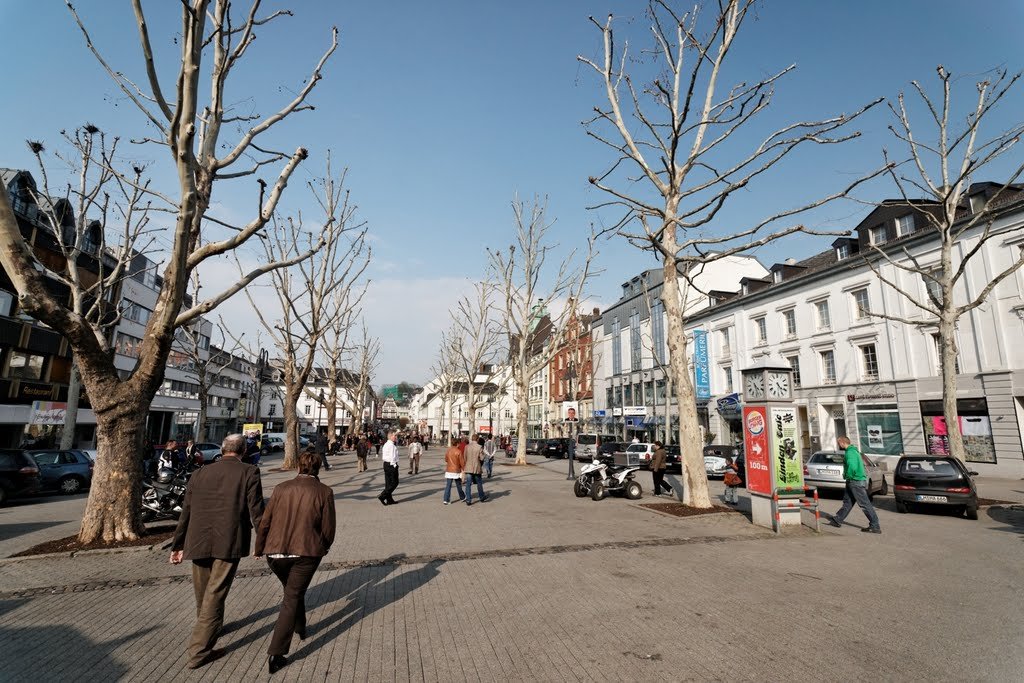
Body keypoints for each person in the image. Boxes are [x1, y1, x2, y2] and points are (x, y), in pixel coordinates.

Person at [169, 434, 265, 669]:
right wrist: (263, 541)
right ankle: (200, 650)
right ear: (242, 451)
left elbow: (186, 512)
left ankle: (212, 627)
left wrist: (178, 545)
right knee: (215, 593)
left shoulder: (200, 473)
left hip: (197, 540)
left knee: (204, 592)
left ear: (223, 450)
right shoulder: (249, 472)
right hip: (228, 541)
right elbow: (257, 511)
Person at [254, 446, 336, 674]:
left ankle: (300, 626)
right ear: (318, 468)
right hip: (305, 553)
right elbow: (328, 529)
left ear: (299, 466)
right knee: (292, 595)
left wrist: (259, 548)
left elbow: (265, 521)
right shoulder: (324, 492)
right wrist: (324, 546)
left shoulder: (281, 488)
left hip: (276, 552)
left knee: (293, 592)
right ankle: (276, 652)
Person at [828, 437, 882, 534]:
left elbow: (852, 466)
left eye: (838, 443)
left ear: (842, 442)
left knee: (864, 504)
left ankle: (875, 525)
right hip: (854, 480)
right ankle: (837, 519)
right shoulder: (853, 451)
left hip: (855, 480)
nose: (838, 445)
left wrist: (848, 476)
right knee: (848, 502)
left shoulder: (850, 452)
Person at [463, 434, 488, 506]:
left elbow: (464, 457)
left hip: (468, 467)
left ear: (471, 439)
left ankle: (468, 499)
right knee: (479, 483)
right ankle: (481, 497)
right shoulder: (479, 447)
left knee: (468, 484)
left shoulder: (467, 446)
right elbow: (482, 458)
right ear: (477, 439)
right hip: (477, 467)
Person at [442, 436, 466, 505]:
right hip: (456, 470)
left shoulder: (448, 450)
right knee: (458, 485)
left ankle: (446, 499)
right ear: (457, 444)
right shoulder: (458, 451)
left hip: (449, 470)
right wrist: (463, 469)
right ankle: (462, 497)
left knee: (448, 486)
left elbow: (446, 459)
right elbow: (462, 462)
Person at [378, 431, 399, 505]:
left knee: (388, 483)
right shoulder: (391, 445)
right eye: (394, 436)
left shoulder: (386, 444)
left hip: (386, 464)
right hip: (391, 465)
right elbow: (392, 457)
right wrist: (395, 466)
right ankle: (383, 496)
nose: (396, 437)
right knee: (395, 482)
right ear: (390, 436)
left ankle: (389, 499)